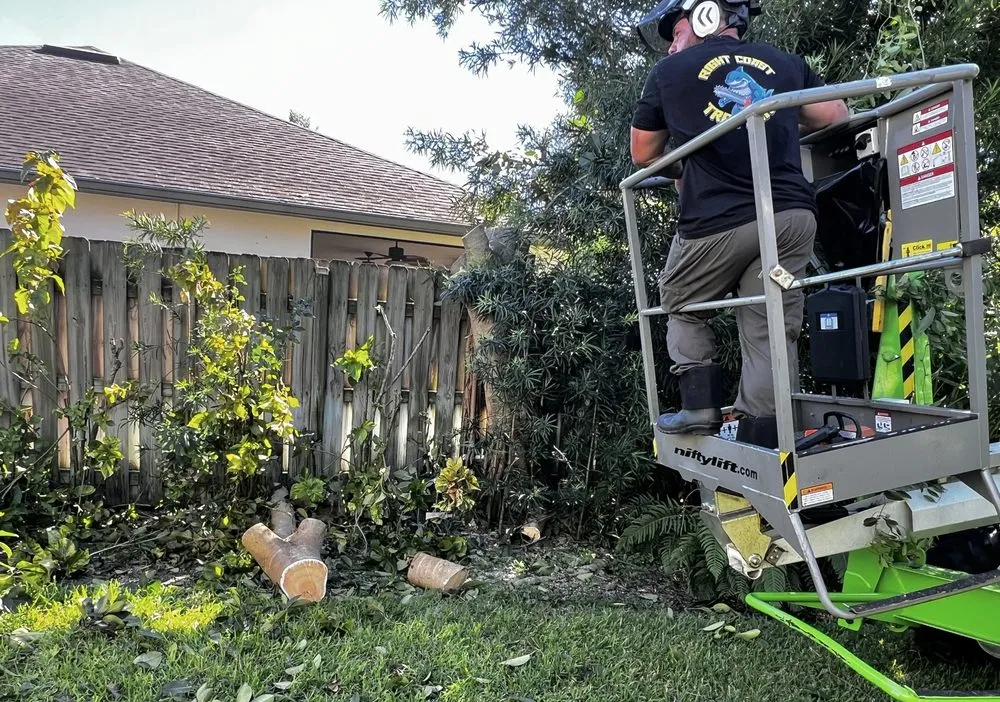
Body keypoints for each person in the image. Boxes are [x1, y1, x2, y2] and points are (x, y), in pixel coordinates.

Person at [629, 0, 849, 447]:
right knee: (770, 323)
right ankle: (762, 436)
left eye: (677, 31)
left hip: (716, 222)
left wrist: (684, 164)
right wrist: (778, 129)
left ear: (709, 14)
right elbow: (835, 116)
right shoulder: (786, 63)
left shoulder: (669, 74)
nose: (672, 45)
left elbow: (642, 153)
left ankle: (700, 407)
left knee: (679, 295)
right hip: (789, 217)